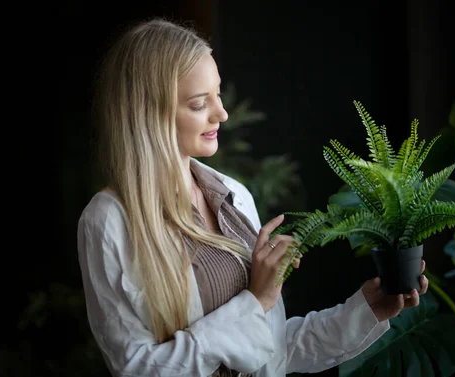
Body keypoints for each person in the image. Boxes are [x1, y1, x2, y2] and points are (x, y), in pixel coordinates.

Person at [77, 18, 429, 377]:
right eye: (199, 104)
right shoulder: (109, 221)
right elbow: (138, 369)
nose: (222, 113)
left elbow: (271, 351)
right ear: (149, 115)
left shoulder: (234, 198)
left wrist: (367, 310)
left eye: (218, 94)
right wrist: (255, 301)